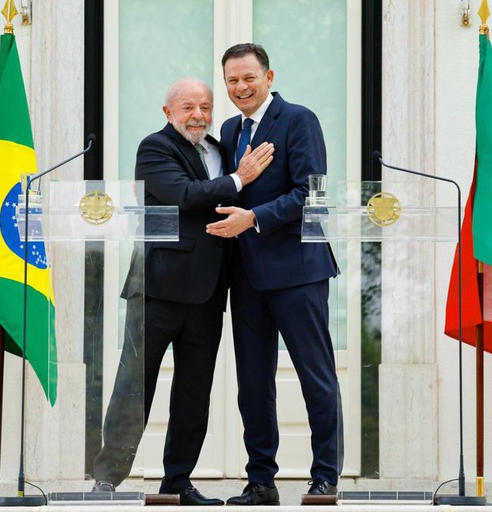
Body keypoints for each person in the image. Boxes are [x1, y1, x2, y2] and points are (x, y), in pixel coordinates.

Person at [92, 77, 274, 506]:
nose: (199, 115)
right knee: (134, 388)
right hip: (157, 289)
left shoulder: (220, 148)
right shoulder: (154, 148)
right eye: (189, 107)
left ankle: (177, 481)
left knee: (194, 392)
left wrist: (237, 178)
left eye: (206, 107)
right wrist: (239, 179)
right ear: (168, 112)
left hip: (209, 293)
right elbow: (184, 195)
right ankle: (107, 481)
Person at [206, 43, 342, 506]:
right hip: (245, 275)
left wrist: (254, 217)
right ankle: (261, 482)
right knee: (253, 382)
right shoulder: (227, 129)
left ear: (268, 76)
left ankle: (325, 478)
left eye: (249, 78)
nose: (240, 87)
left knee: (315, 376)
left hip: (298, 271)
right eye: (232, 81)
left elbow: (312, 192)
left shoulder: (299, 119)